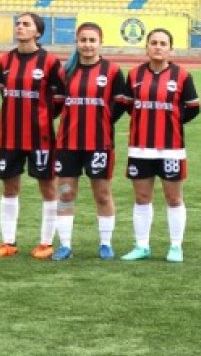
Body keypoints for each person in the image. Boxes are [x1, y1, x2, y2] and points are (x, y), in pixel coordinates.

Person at [0, 13, 66, 260]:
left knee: (48, 187)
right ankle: (8, 242)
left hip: (40, 136)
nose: (20, 27)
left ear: (38, 32)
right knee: (9, 187)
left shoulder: (50, 62)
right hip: (9, 135)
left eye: (26, 24)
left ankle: (45, 243)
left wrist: (41, 116)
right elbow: (5, 94)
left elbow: (59, 99)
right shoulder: (5, 60)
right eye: (18, 23)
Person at [121, 28, 201, 263]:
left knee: (174, 198)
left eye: (163, 43)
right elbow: (127, 104)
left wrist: (171, 123)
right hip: (140, 146)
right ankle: (141, 245)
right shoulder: (134, 74)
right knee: (142, 197)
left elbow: (193, 108)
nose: (158, 46)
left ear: (170, 49)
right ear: (147, 47)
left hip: (171, 147)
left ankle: (176, 246)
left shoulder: (182, 76)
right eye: (153, 42)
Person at [52, 22, 130, 261]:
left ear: (100, 43)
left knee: (103, 194)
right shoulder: (66, 71)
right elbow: (56, 104)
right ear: (77, 42)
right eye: (83, 40)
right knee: (65, 193)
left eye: (91, 40)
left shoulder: (113, 71)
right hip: (67, 144)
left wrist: (102, 121)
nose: (87, 45)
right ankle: (65, 245)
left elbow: (120, 105)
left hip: (99, 143)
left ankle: (105, 243)